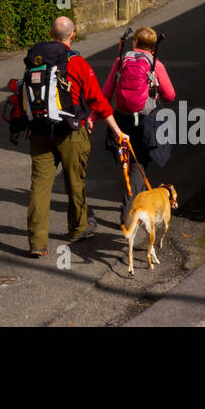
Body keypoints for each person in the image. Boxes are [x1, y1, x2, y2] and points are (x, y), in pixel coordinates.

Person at [25, 16, 128, 258]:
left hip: (39, 131)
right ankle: (78, 228)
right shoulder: (77, 62)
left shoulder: (36, 61)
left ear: (51, 35)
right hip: (71, 132)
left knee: (39, 187)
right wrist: (118, 131)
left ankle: (37, 243)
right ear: (73, 35)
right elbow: (97, 100)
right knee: (75, 182)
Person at [103, 26, 176, 204]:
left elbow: (106, 92)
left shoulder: (121, 60)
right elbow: (170, 95)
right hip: (145, 119)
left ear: (134, 42)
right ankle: (128, 213)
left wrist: (93, 117)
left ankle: (139, 200)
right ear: (153, 46)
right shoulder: (154, 64)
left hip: (121, 118)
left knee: (129, 161)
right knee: (139, 163)